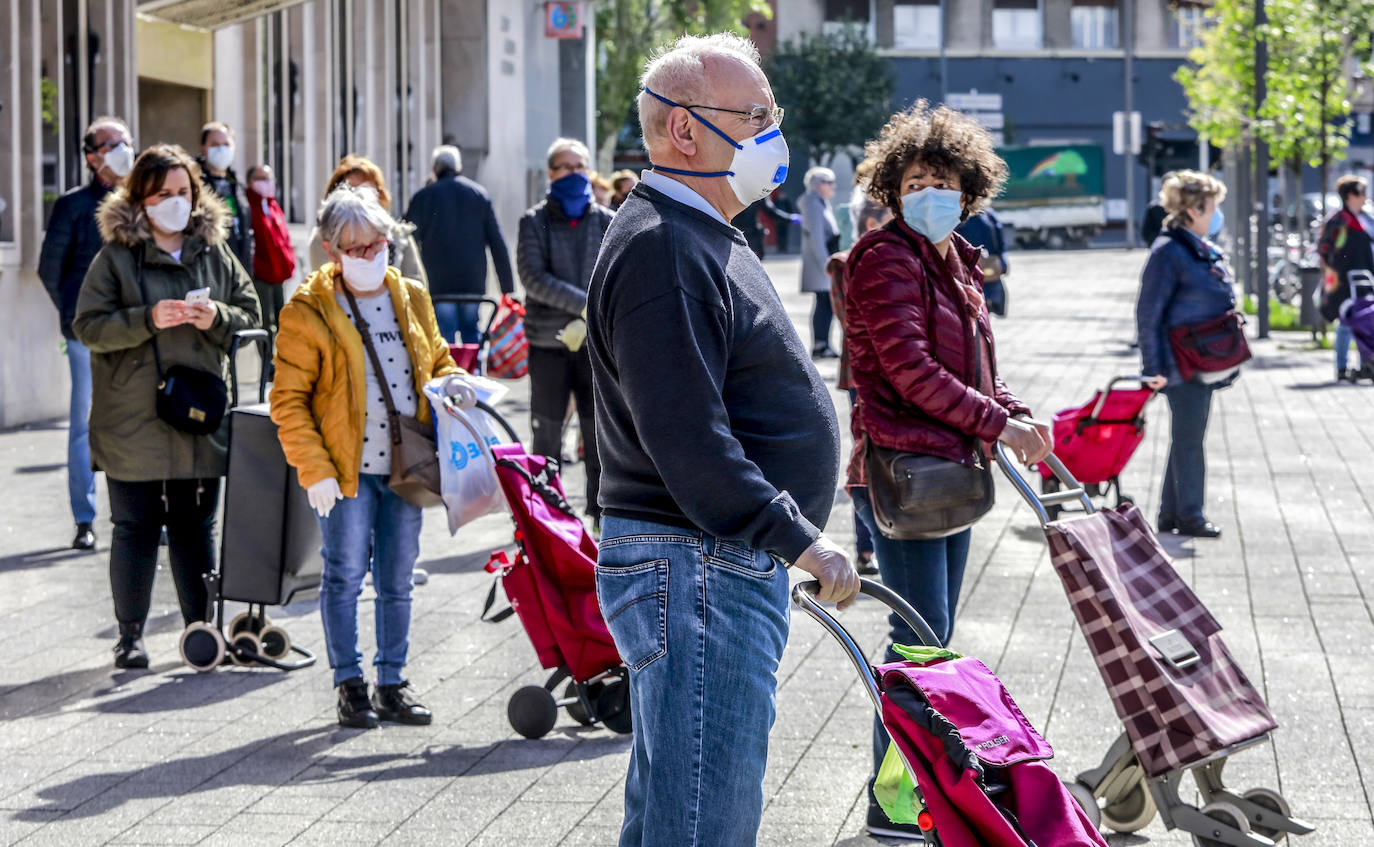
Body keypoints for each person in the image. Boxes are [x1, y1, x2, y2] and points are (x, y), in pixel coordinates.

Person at [587, 32, 860, 846]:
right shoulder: (665, 245)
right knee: (702, 820)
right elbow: (691, 442)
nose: (772, 133)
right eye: (756, 115)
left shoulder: (701, 232)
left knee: (683, 809)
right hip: (698, 561)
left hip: (707, 562)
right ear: (684, 131)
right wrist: (801, 540)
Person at [843, 101, 1051, 839]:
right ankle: (893, 801)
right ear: (893, 187)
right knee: (919, 644)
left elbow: (975, 370)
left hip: (949, 469)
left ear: (969, 191)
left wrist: (1016, 411)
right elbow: (909, 370)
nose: (929, 192)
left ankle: (906, 793)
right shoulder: (883, 258)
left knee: (932, 635)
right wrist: (1001, 425)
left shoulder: (958, 259)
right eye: (916, 179)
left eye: (944, 180)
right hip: (901, 471)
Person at [271, 184, 472, 729]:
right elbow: (287, 401)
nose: (370, 255)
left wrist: (453, 383)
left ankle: (392, 680)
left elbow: (438, 357)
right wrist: (313, 468)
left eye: (378, 243)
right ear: (333, 250)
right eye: (356, 248)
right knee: (342, 576)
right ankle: (349, 683)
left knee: (398, 577)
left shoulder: (409, 294)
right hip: (345, 471)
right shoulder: (307, 309)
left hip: (406, 465)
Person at [72, 143, 262, 668]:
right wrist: (147, 318)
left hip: (198, 415)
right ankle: (130, 636)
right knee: (134, 528)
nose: (175, 203)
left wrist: (217, 317)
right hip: (131, 418)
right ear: (140, 199)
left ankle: (200, 630)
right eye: (162, 194)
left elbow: (250, 311)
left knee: (195, 527)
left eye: (183, 192)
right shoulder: (115, 256)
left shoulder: (213, 250)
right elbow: (87, 326)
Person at [38, 115, 133, 551]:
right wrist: (75, 318)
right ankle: (84, 518)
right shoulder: (73, 206)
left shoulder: (142, 203)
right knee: (84, 425)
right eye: (112, 143)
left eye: (125, 141)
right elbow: (50, 269)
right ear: (93, 156)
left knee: (137, 422)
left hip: (136, 332)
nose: (122, 149)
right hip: (88, 337)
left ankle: (140, 514)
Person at [516, 138, 613, 523]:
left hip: (596, 346)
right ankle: (545, 515)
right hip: (547, 343)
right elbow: (533, 278)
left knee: (599, 434)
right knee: (547, 432)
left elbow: (612, 276)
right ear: (551, 173)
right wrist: (585, 305)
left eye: (580, 166)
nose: (573, 174)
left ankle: (602, 514)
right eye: (565, 167)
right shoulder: (533, 220)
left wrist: (595, 312)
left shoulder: (606, 220)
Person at [1137, 170, 1236, 539]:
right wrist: (1153, 368)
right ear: (1193, 210)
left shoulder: (1193, 246)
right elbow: (1148, 315)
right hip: (1181, 364)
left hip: (1198, 360)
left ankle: (1171, 513)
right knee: (1191, 440)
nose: (1216, 215)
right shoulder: (1169, 251)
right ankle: (1191, 515)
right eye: (1213, 208)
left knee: (1186, 437)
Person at [404, 145, 516, 343]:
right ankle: (470, 372)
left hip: (439, 283)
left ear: (435, 169)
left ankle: (450, 374)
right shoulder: (479, 194)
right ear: (458, 167)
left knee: (444, 339)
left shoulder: (424, 197)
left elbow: (407, 239)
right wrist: (507, 287)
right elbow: (497, 243)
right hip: (472, 283)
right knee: (472, 335)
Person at [307, 155, 427, 287]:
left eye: (369, 192)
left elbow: (417, 284)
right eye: (352, 191)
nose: (359, 200)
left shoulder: (399, 235)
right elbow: (325, 286)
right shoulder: (323, 239)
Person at [1317, 174, 1374, 382]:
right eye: (1361, 192)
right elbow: (1324, 248)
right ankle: (1342, 367)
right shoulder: (1338, 220)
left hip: (1366, 278)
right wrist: (1332, 275)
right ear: (1350, 196)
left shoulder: (1367, 218)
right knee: (1346, 322)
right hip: (1343, 281)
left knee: (1366, 320)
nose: (1365, 197)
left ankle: (1366, 364)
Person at [244, 164, 297, 344]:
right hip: (261, 274)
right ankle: (267, 364)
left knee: (282, 318)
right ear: (250, 182)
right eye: (261, 178)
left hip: (278, 273)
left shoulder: (272, 205)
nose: (266, 183)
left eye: (269, 178)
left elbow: (282, 239)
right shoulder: (248, 206)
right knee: (265, 321)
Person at [196, 122, 253, 275]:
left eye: (226, 144)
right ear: (203, 148)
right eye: (215, 144)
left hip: (240, 264)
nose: (221, 149)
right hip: (211, 267)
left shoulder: (237, 183)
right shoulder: (195, 182)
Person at [800, 166, 840, 357]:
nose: (833, 186)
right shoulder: (813, 204)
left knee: (826, 303)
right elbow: (816, 238)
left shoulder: (820, 203)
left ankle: (823, 343)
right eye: (828, 182)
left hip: (824, 260)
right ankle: (820, 344)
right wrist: (827, 264)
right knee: (824, 303)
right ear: (817, 185)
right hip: (821, 262)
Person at [956, 205, 1010, 316]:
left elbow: (1000, 243)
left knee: (986, 311)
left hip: (988, 271)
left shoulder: (988, 214)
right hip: (968, 273)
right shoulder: (958, 217)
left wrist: (1002, 264)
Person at [732, 194, 797, 260]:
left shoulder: (759, 191)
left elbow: (770, 211)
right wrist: (789, 218)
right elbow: (770, 211)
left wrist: (789, 218)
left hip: (738, 234)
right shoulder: (759, 191)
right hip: (745, 235)